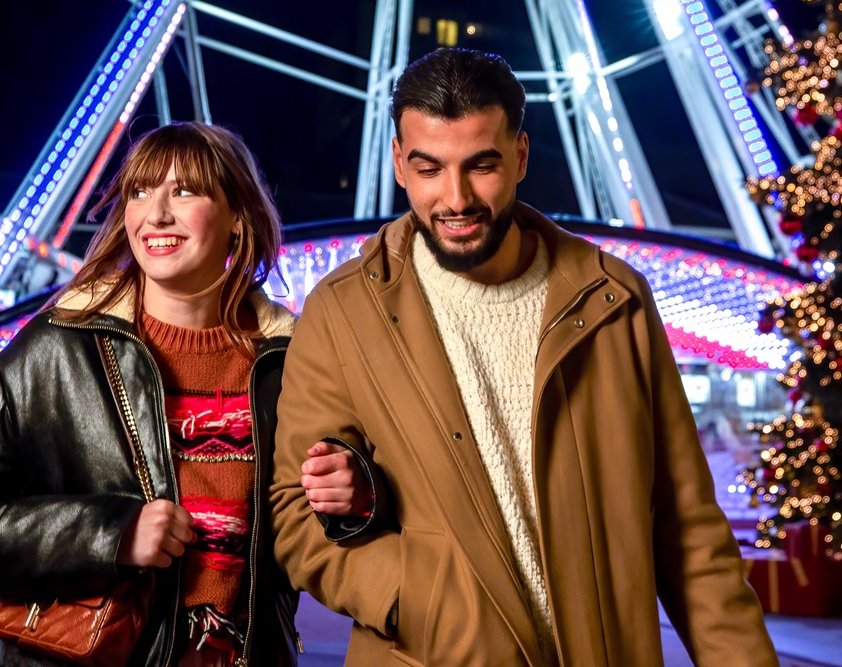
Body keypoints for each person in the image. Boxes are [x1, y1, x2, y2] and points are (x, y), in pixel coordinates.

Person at [270, 48, 780, 665]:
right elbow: (296, 515)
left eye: (481, 166)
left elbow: (689, 530)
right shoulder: (343, 310)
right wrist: (420, 600)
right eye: (429, 169)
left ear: (520, 157)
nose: (455, 199)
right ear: (400, 165)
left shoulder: (615, 299)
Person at [0, 123, 368, 667]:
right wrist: (112, 534)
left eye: (185, 191)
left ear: (238, 216)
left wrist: (356, 498)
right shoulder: (55, 351)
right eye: (140, 191)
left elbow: (312, 531)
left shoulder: (290, 362)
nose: (156, 214)